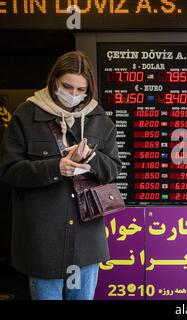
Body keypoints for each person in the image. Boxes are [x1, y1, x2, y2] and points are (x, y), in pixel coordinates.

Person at [0, 51, 122, 300]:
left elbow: (113, 170)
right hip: (42, 241)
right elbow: (9, 170)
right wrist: (56, 168)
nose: (74, 94)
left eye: (81, 90)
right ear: (54, 80)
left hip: (86, 242)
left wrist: (91, 157)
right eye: (67, 86)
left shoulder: (100, 120)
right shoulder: (26, 114)